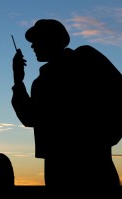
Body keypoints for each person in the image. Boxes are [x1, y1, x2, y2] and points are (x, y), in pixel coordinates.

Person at [11, 19, 121, 195]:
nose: (32, 46)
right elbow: (29, 118)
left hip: (92, 160)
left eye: (37, 40)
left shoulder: (85, 57)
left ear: (52, 39)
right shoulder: (40, 82)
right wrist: (18, 80)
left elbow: (118, 90)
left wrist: (108, 136)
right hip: (57, 164)